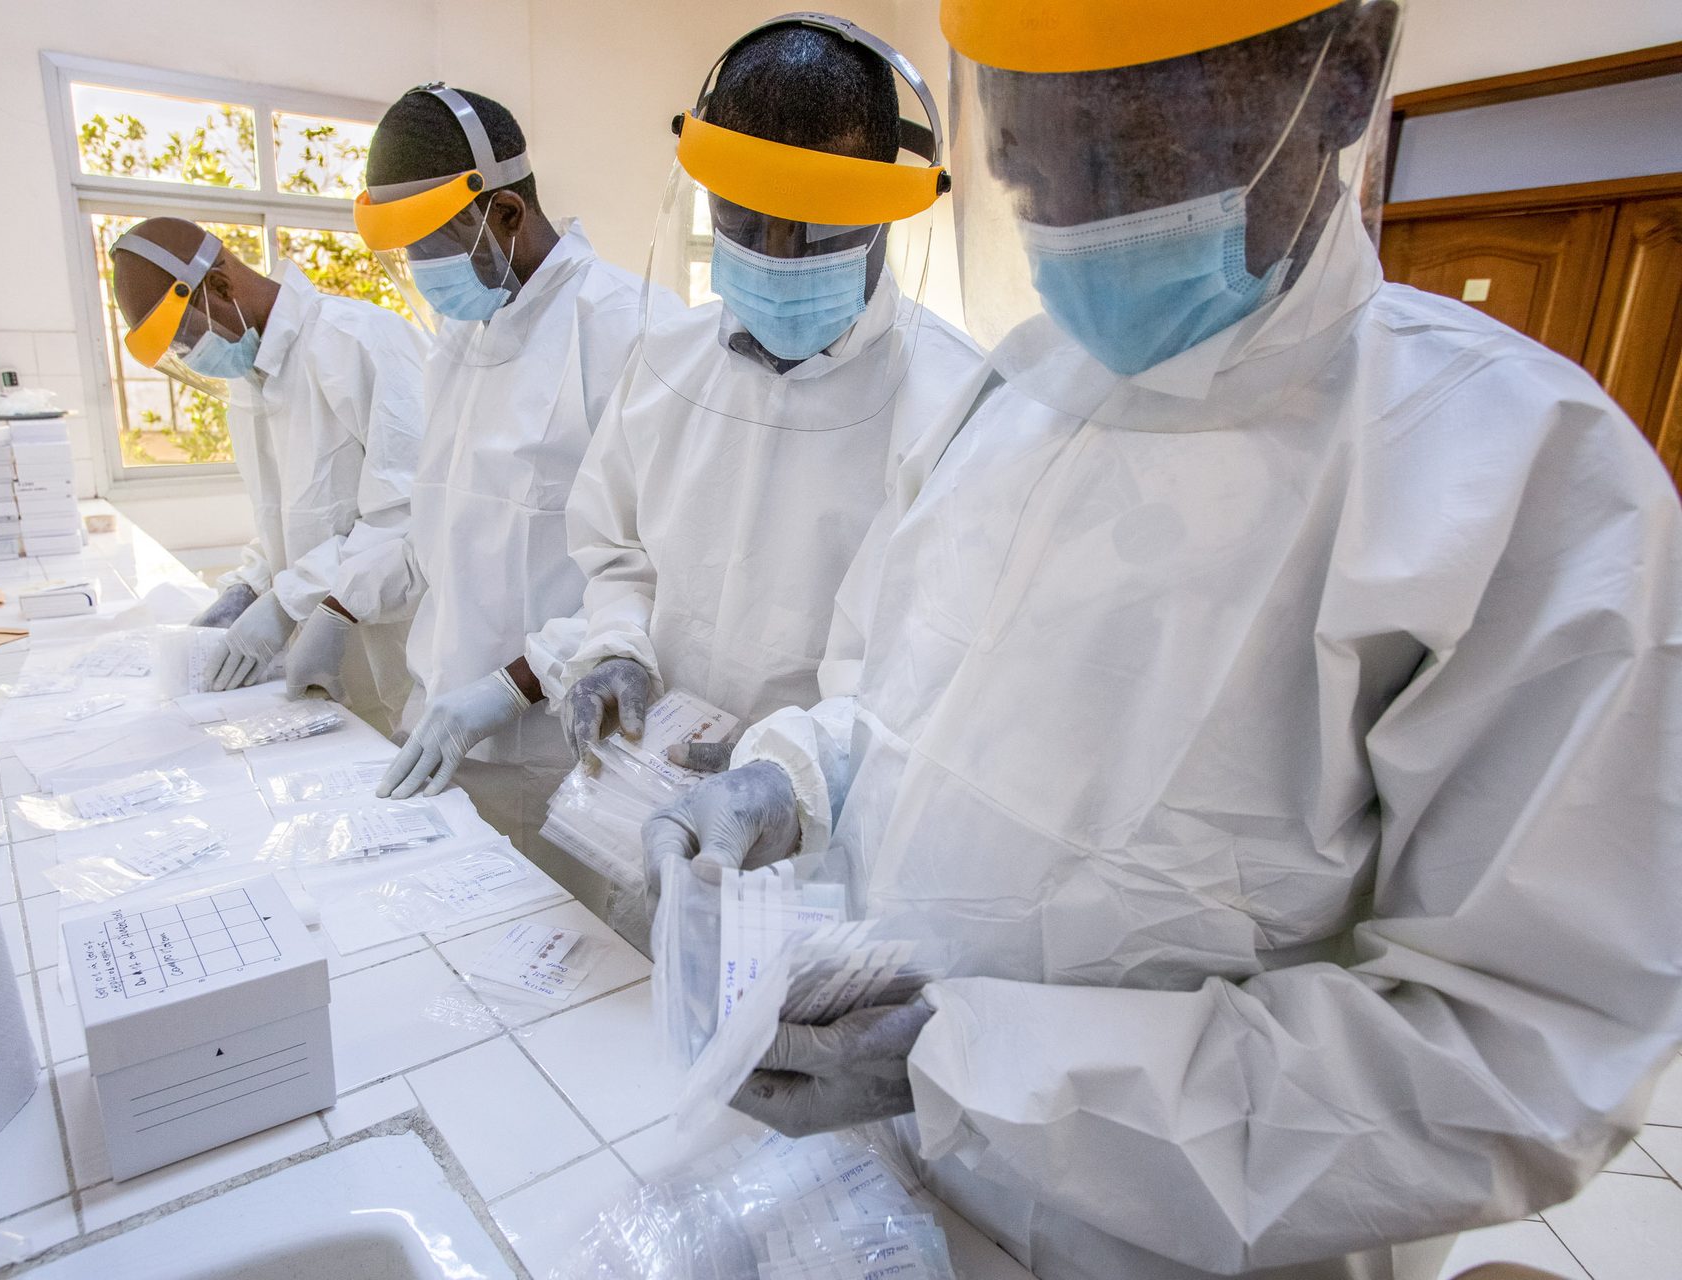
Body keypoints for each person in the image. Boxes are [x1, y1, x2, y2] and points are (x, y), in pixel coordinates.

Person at [648, 2, 1682, 1278]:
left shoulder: (1522, 481)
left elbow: (1509, 1058)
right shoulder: (1009, 398)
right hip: (895, 1192)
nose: (1075, 228)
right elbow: (895, 704)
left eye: (1128, 168)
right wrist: (793, 771)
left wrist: (969, 1064)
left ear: (1344, 82)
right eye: (1035, 174)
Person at [517, 15, 982, 929]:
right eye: (742, 218)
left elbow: (927, 685)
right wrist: (615, 644)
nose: (772, 251)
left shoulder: (957, 405)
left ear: (887, 207)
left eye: (811, 226)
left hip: (819, 871)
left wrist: (791, 777)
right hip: (636, 820)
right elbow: (618, 553)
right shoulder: (667, 363)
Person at [357, 86, 651, 896]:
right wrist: (329, 603)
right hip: (447, 733)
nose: (420, 274)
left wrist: (510, 685)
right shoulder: (459, 342)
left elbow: (652, 571)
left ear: (508, 214)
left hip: (557, 749)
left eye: (429, 247)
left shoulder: (627, 328)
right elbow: (438, 532)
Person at [110, 219, 429, 728]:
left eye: (187, 337)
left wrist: (287, 601)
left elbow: (412, 516)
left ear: (218, 285)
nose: (192, 356)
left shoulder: (357, 343)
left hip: (403, 646)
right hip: (332, 657)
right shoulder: (250, 380)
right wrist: (252, 586)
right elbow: (290, 519)